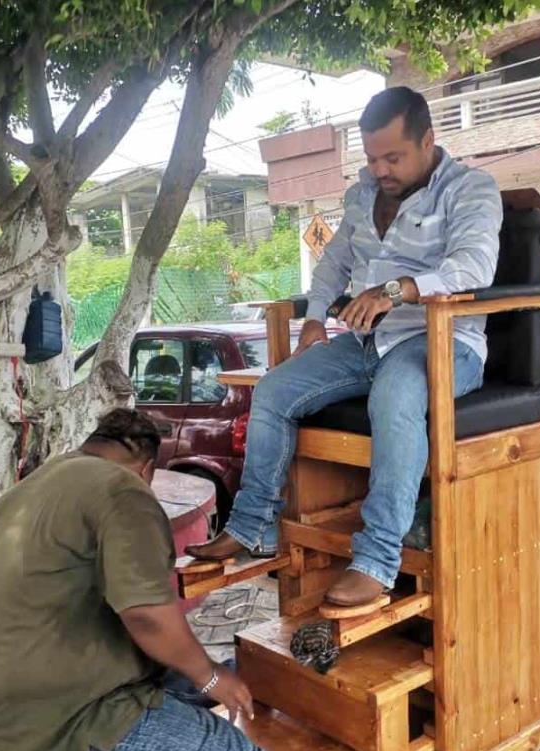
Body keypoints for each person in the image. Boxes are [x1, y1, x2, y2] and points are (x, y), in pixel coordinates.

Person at [0, 408, 478, 751]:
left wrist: (211, 672)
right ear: (145, 467)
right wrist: (211, 680)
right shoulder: (121, 493)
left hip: (0, 706)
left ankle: (266, 684)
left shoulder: (39, 484)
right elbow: (146, 616)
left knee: (195, 670)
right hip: (64, 722)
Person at [188, 87, 503, 607]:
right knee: (273, 389)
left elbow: (474, 266)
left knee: (395, 395)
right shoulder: (362, 197)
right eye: (373, 157)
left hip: (443, 342)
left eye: (393, 157)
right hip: (368, 341)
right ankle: (251, 530)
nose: (380, 169)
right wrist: (313, 321)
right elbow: (334, 263)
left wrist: (397, 290)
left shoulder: (469, 190)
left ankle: (378, 561)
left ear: (428, 140)